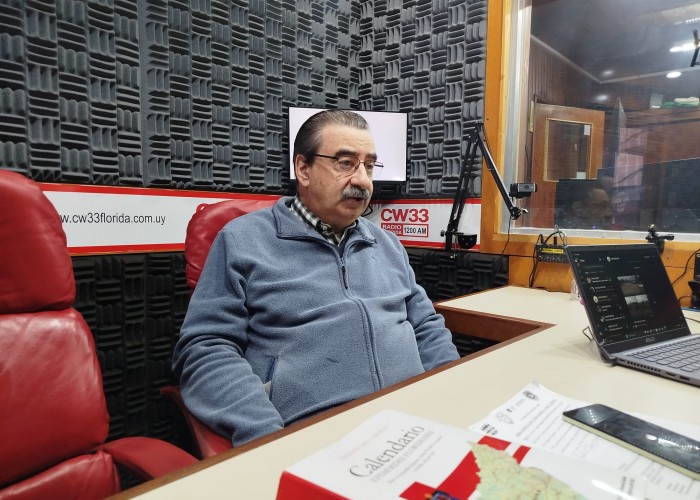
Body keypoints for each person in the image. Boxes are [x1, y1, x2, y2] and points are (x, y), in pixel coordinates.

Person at [172, 110, 460, 446]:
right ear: (303, 169)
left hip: (417, 421)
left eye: (369, 166)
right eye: (345, 163)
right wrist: (265, 434)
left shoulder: (387, 243)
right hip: (316, 434)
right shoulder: (241, 240)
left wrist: (453, 395)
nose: (363, 181)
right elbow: (205, 350)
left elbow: (426, 326)